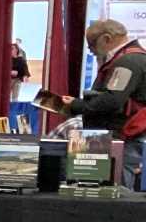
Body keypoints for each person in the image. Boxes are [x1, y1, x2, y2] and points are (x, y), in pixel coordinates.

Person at [59, 18, 146, 187]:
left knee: (115, 190)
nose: (91, 50)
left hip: (121, 137)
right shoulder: (131, 59)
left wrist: (77, 105)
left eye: (92, 44)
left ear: (107, 38)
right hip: (120, 136)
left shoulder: (127, 62)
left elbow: (112, 100)